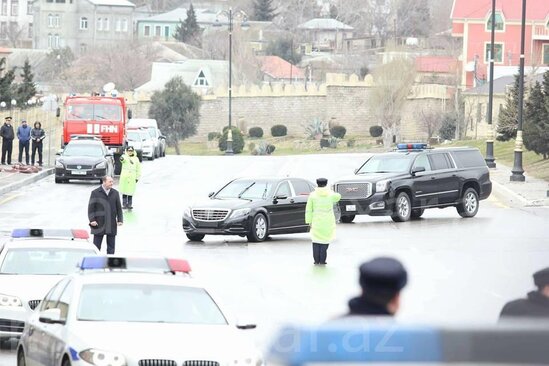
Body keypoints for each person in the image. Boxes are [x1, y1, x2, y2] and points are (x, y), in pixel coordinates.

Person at [305, 177, 341, 265]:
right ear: (326, 183)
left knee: (316, 241)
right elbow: (338, 197)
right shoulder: (330, 194)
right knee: (325, 241)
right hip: (327, 221)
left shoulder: (312, 195)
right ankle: (322, 261)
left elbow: (309, 209)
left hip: (316, 221)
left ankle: (316, 261)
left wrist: (309, 221)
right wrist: (331, 190)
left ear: (317, 184)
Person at [88, 176, 123, 254]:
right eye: (110, 182)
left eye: (112, 182)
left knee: (111, 247)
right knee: (96, 247)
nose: (112, 183)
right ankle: (95, 262)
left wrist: (120, 220)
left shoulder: (115, 193)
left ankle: (110, 263)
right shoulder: (95, 193)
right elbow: (91, 208)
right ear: (104, 182)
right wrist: (92, 220)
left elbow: (119, 208)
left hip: (111, 224)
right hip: (98, 224)